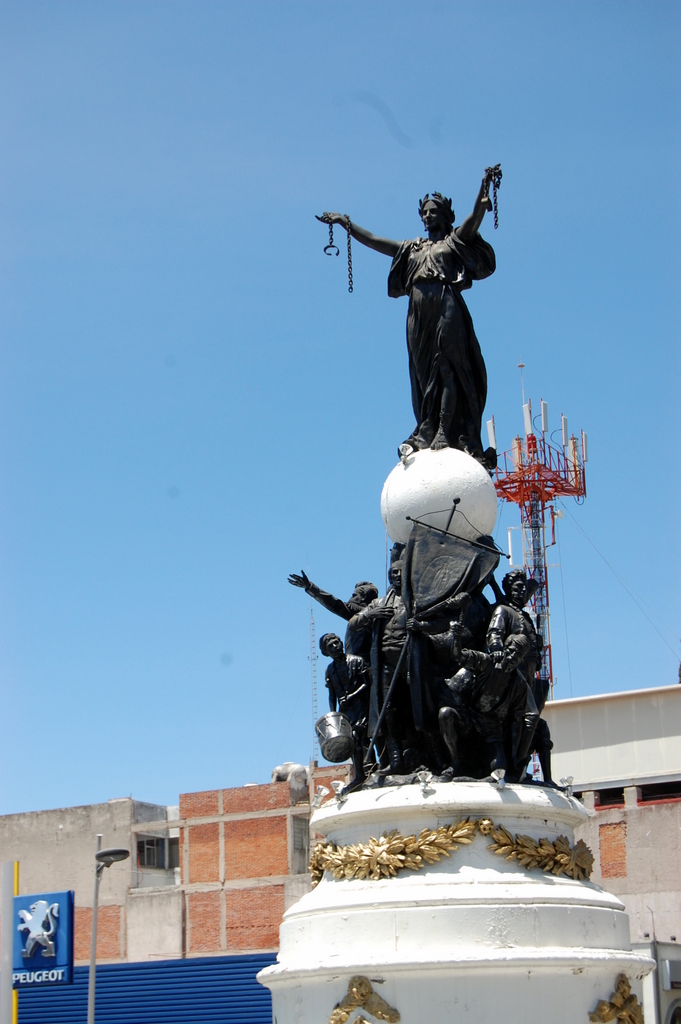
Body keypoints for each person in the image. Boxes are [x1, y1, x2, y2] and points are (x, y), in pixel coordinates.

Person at [318, 169, 497, 461]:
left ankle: (444, 430)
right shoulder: (410, 249)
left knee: (447, 367)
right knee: (424, 373)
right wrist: (345, 224)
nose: (427, 216)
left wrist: (483, 188)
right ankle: (426, 426)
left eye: (433, 212)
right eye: (424, 212)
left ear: (445, 216)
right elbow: (375, 240)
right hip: (417, 313)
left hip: (446, 304)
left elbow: (474, 219)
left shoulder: (453, 243)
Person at [288, 571, 378, 660]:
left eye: (354, 595)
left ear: (364, 596)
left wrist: (310, 587)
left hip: (363, 668)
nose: (351, 598)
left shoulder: (362, 612)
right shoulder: (372, 615)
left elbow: (334, 604)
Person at [319, 633, 371, 785]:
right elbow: (332, 695)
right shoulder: (330, 670)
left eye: (336, 643)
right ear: (326, 653)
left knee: (360, 736)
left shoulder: (357, 661)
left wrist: (351, 696)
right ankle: (361, 773)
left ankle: (366, 770)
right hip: (346, 712)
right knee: (353, 740)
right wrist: (333, 716)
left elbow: (366, 684)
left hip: (362, 705)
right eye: (331, 646)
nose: (335, 647)